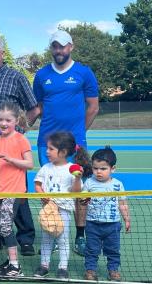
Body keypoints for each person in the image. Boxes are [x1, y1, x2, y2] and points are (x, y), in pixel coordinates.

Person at [32, 30, 100, 256]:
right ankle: (51, 231)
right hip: (46, 143)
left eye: (62, 46)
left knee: (78, 190)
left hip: (75, 144)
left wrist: (79, 134)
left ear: (71, 46)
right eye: (55, 46)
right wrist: (19, 123)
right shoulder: (41, 75)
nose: (58, 50)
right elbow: (38, 107)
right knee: (48, 190)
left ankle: (80, 235)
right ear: (51, 48)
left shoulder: (84, 73)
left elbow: (93, 106)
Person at [0, 35, 39, 256]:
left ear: (2, 53)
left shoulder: (16, 77)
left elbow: (33, 108)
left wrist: (20, 132)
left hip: (10, 149)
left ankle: (26, 238)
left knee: (17, 195)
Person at [0, 102, 34, 279]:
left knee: (5, 227)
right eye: (0, 120)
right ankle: (10, 260)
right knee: (1, 227)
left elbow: (30, 163)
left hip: (14, 191)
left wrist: (11, 159)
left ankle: (15, 266)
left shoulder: (21, 139)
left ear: (16, 120)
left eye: (8, 120)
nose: (3, 123)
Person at [32, 131, 90, 279]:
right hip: (48, 210)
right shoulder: (46, 168)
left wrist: (77, 178)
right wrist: (41, 194)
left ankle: (63, 268)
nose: (47, 151)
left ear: (63, 152)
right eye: (47, 148)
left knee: (62, 240)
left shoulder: (72, 169)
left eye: (51, 149)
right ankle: (44, 265)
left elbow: (76, 192)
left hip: (63, 211)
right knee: (46, 239)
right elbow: (37, 184)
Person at [83, 146, 131, 282]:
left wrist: (127, 219)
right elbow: (82, 201)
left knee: (113, 251)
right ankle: (90, 270)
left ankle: (113, 270)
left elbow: (123, 204)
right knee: (91, 250)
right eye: (95, 168)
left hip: (113, 225)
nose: (98, 172)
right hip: (92, 224)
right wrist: (83, 200)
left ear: (112, 169)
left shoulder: (118, 185)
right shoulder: (89, 183)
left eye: (103, 168)